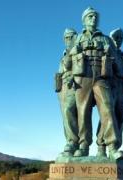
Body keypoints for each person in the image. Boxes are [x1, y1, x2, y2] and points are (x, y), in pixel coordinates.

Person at [69, 7, 120, 159]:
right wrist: (73, 54)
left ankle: (112, 147)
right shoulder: (77, 38)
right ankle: (84, 145)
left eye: (95, 16)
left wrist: (110, 53)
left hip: (101, 76)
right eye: (90, 16)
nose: (93, 19)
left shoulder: (106, 39)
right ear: (84, 20)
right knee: (83, 112)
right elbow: (67, 63)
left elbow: (117, 62)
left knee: (107, 109)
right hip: (82, 77)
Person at [107, 28, 123, 159]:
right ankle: (103, 146)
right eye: (116, 37)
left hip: (122, 92)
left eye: (121, 38)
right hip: (110, 88)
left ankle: (116, 147)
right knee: (108, 117)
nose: (118, 40)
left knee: (120, 118)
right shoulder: (107, 53)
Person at [55, 28, 79, 157]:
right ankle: (71, 144)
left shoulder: (78, 51)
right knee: (65, 117)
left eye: (71, 37)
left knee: (70, 111)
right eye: (66, 38)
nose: (68, 40)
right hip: (63, 88)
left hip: (75, 85)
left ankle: (74, 142)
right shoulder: (64, 54)